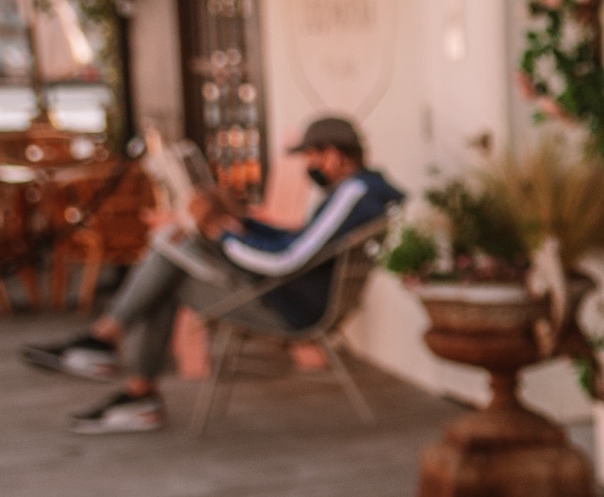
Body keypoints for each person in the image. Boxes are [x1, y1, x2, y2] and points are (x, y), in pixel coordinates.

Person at [27, 115, 400, 432]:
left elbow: (289, 260)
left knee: (170, 259)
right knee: (173, 249)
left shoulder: (355, 193)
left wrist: (221, 235)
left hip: (289, 306)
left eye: (311, 157)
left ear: (332, 155)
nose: (309, 167)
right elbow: (300, 241)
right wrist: (241, 224)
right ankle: (117, 365)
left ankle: (116, 359)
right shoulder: (357, 191)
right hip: (283, 293)